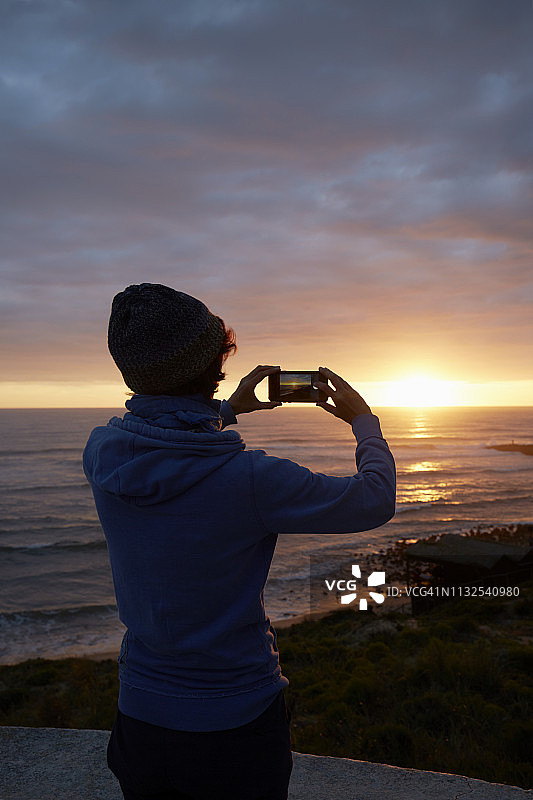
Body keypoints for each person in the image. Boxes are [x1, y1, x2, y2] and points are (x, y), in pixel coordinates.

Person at [82, 282, 396, 800]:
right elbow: (374, 500)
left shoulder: (104, 455)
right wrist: (364, 423)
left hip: (139, 716)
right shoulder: (249, 478)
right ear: (214, 369)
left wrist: (227, 410)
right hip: (235, 719)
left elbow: (169, 443)